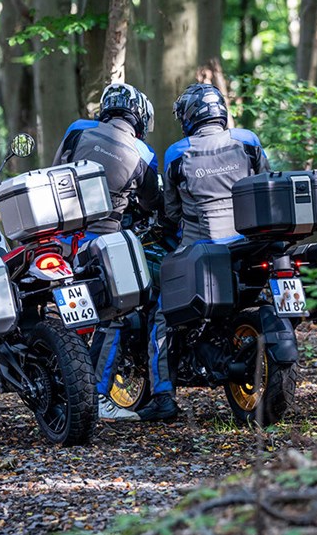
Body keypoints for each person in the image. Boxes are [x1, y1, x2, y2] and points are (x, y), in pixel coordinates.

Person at [135, 82, 271, 422]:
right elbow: (265, 183)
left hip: (201, 250)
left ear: (189, 117)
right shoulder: (248, 141)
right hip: (251, 246)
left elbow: (172, 212)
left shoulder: (177, 153)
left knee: (161, 317)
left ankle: (163, 398)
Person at [53, 82, 162, 421]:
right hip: (101, 244)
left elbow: (56, 171)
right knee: (117, 314)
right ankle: (98, 395)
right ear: (139, 117)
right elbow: (151, 202)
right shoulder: (143, 152)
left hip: (59, 241)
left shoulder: (77, 130)